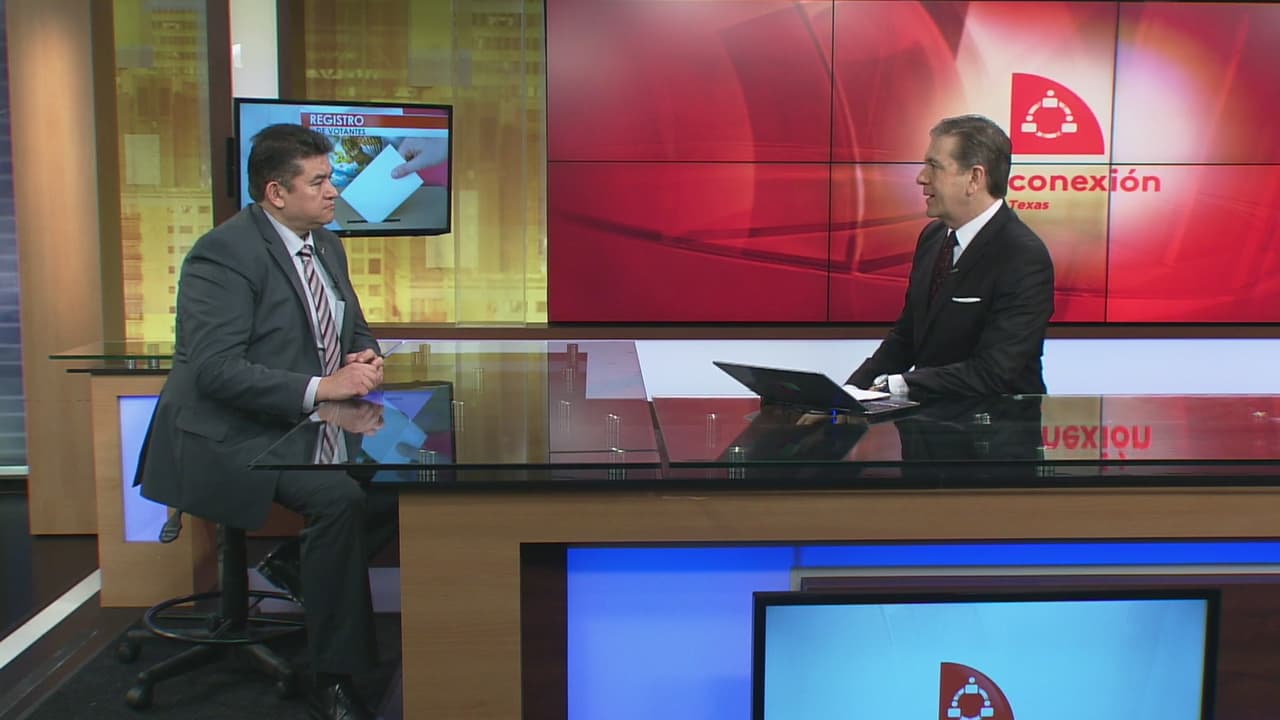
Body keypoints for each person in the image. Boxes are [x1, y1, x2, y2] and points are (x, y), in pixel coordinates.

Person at [135, 123, 394, 720]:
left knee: (400, 477)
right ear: (276, 192)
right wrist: (322, 388)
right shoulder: (223, 254)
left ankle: (293, 566)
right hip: (227, 434)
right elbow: (215, 370)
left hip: (300, 423)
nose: (334, 191)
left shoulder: (325, 243)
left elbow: (351, 323)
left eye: (332, 179)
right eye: (319, 181)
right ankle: (335, 678)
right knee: (337, 499)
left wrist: (365, 354)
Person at [846, 114, 1055, 398]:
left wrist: (896, 385)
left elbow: (994, 371)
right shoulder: (933, 238)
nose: (921, 177)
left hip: (998, 422)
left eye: (934, 166)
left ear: (974, 178)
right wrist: (848, 393)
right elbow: (906, 337)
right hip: (930, 421)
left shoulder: (1022, 256)